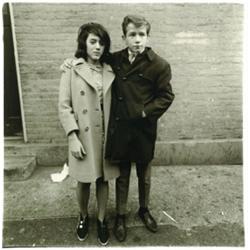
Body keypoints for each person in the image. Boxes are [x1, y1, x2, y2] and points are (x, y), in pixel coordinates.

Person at [61, 15, 175, 242]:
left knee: (144, 175)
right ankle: (120, 216)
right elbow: (89, 63)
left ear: (148, 37)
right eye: (132, 35)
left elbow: (166, 96)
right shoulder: (115, 60)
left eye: (142, 34)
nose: (137, 40)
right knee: (121, 175)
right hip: (120, 130)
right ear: (124, 37)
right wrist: (70, 62)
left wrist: (145, 112)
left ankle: (144, 210)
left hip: (143, 129)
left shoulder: (159, 64)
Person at [58, 22, 119, 246]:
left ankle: (101, 220)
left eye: (102, 43)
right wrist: (72, 137)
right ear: (84, 42)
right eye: (93, 41)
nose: (98, 47)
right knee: (84, 180)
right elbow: (64, 106)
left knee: (103, 180)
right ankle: (83, 216)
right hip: (83, 136)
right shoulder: (71, 69)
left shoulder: (110, 69)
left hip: (105, 135)